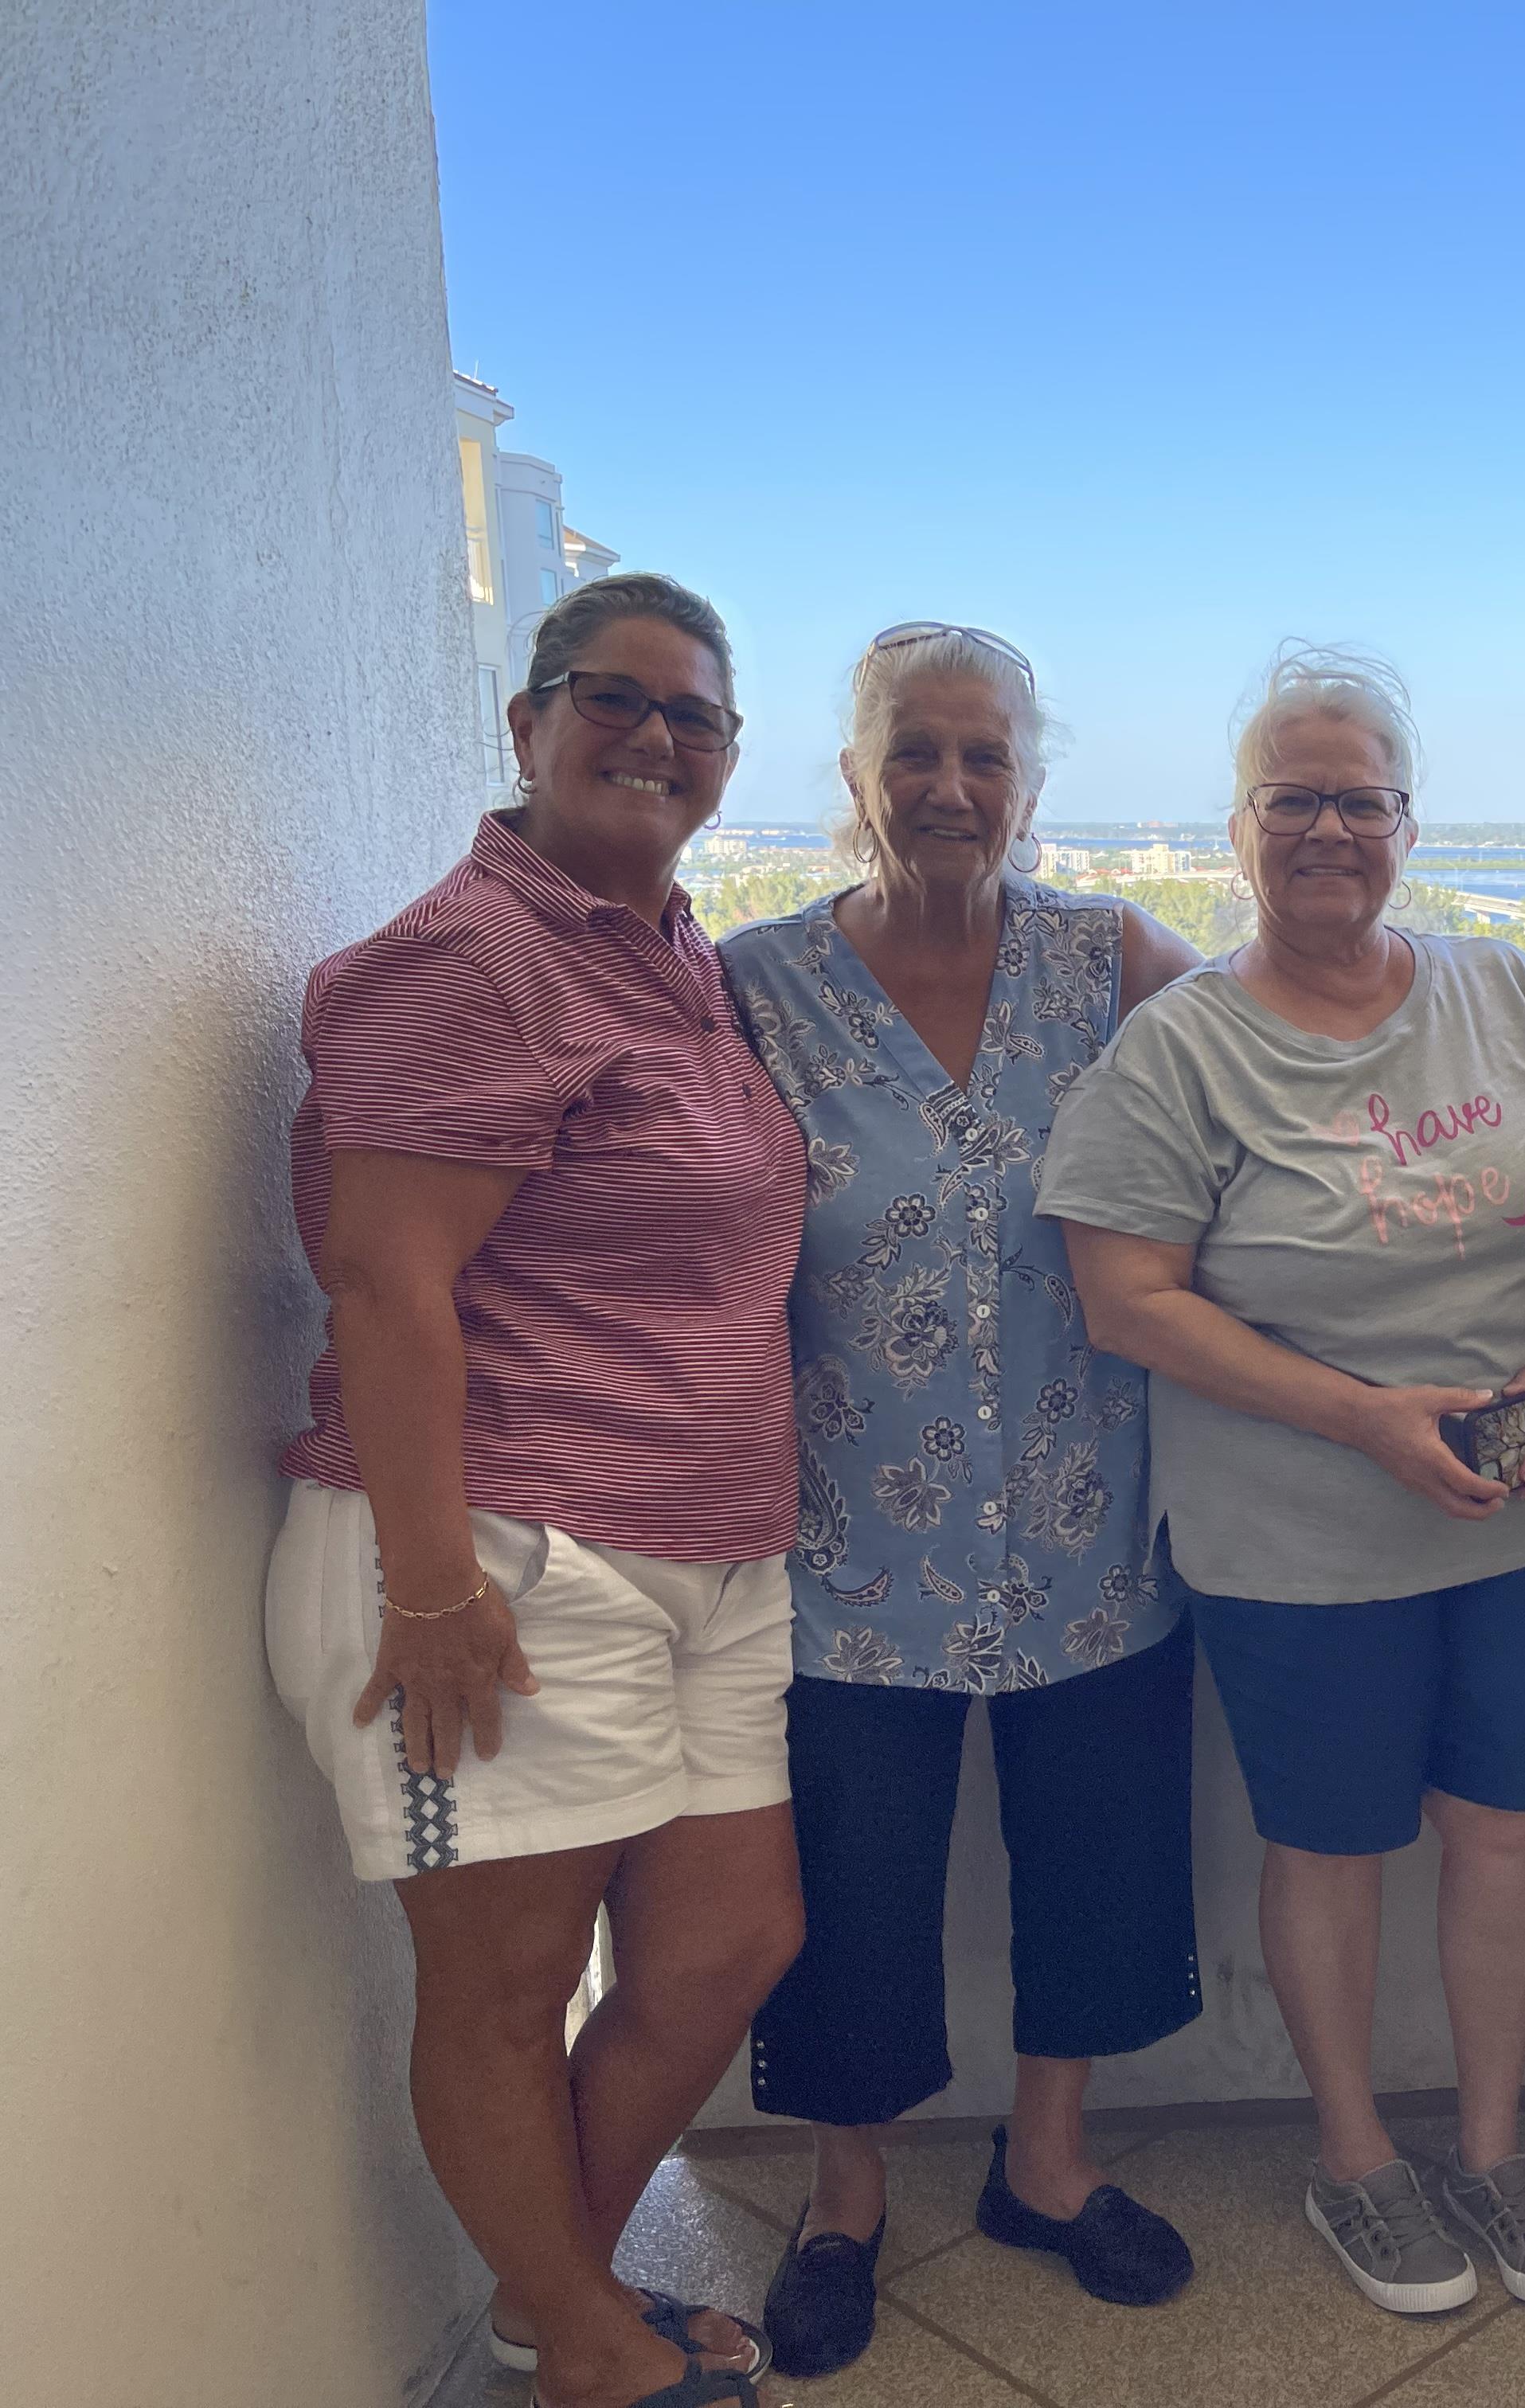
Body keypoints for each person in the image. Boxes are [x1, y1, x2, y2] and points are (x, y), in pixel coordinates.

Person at [263, 573, 801, 2408]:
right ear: (526, 721)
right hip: (498, 1545)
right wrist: (431, 1584)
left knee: (737, 1941)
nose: (655, 739)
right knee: (506, 1984)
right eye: (613, 699)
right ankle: (584, 2339)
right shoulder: (465, 956)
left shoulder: (670, 955)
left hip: (709, 1547)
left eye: (695, 718)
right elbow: (386, 1281)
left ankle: (546, 2284)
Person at [1043, 646, 1525, 2321]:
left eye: (1360, 797)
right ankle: (1360, 2158)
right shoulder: (1179, 1047)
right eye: (1293, 796)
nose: (1329, 827)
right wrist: (1362, 1417)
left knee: (1508, 1829)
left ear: (1407, 825)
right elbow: (1121, 1298)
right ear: (1235, 827)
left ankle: (1495, 2147)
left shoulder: (1504, 992)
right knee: (1334, 1847)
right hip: (1293, 1533)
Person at [718, 624, 1207, 2375]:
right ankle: (845, 2197)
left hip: (1094, 1526)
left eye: (983, 757)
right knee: (849, 1890)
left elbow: (1272, 1106)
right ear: (853, 781)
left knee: (1098, 1864)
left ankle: (1050, 2167)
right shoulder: (751, 984)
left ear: (1030, 784)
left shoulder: (1113, 959)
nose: (948, 787)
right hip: (845, 1543)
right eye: (912, 755)